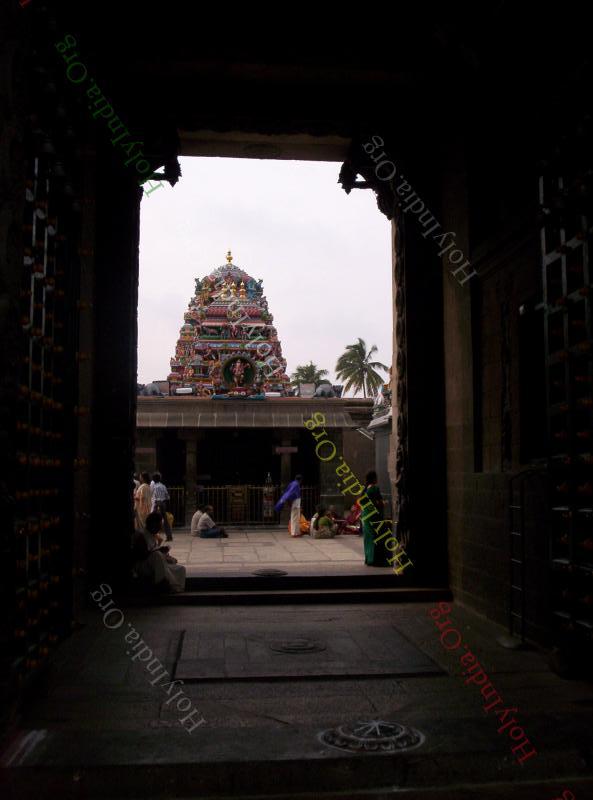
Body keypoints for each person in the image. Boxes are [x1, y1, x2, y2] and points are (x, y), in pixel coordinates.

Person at [132, 512, 186, 593]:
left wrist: (166, 556)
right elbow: (141, 555)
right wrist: (158, 551)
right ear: (152, 524)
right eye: (159, 525)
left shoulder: (152, 535)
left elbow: (154, 550)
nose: (160, 528)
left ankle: (176, 589)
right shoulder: (141, 535)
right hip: (144, 565)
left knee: (180, 569)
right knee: (157, 555)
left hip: (156, 564)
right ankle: (161, 583)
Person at [362, 470, 389, 566]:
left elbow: (361, 502)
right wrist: (384, 503)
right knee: (374, 537)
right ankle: (373, 559)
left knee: (367, 537)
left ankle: (368, 559)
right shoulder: (375, 489)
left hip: (365, 515)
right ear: (373, 478)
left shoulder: (364, 489)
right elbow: (379, 502)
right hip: (373, 516)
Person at [151, 472, 172, 541]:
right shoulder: (163, 486)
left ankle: (153, 534)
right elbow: (167, 497)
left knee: (153, 519)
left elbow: (151, 496)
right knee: (165, 520)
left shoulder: (153, 486)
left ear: (153, 479)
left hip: (157, 504)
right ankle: (169, 536)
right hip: (163, 503)